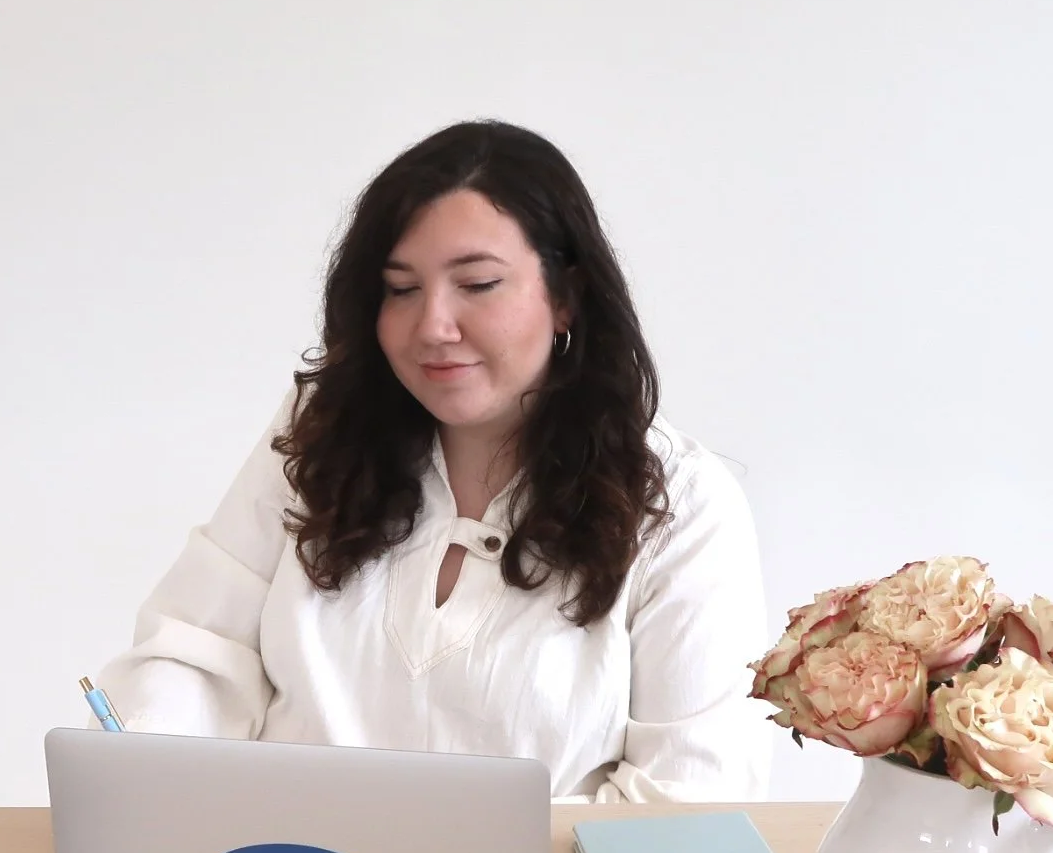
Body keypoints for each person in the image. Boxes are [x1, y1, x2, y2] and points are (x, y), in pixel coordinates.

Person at [91, 120, 768, 801]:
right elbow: (198, 648)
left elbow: (691, 796)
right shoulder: (322, 434)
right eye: (401, 289)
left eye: (478, 284)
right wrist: (146, 763)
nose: (433, 327)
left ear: (566, 297)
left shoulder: (681, 502)